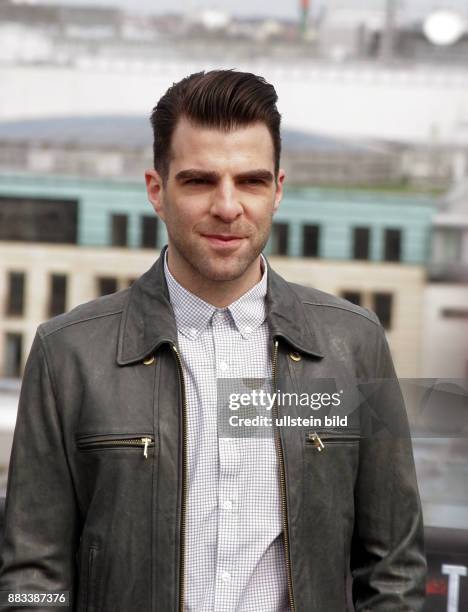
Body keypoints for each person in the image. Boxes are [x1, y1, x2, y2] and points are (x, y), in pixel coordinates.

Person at [0, 69, 426, 611]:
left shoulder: (353, 345)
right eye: (200, 181)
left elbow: (394, 569)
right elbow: (33, 577)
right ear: (157, 190)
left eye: (250, 180)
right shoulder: (68, 355)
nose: (228, 207)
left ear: (277, 191)